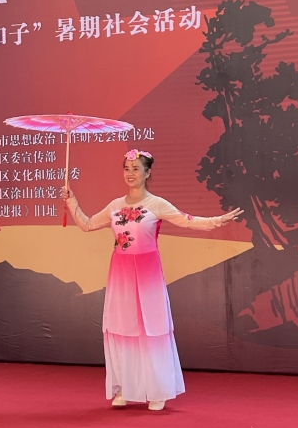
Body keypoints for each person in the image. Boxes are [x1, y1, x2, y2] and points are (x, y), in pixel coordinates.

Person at [61, 148, 242, 411]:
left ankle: (158, 390)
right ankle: (125, 387)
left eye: (136, 169)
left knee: (151, 328)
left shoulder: (157, 204)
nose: (130, 173)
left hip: (148, 273)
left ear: (148, 172)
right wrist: (71, 202)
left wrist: (217, 221)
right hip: (121, 273)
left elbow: (187, 221)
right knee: (123, 327)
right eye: (127, 169)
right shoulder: (115, 206)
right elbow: (87, 224)